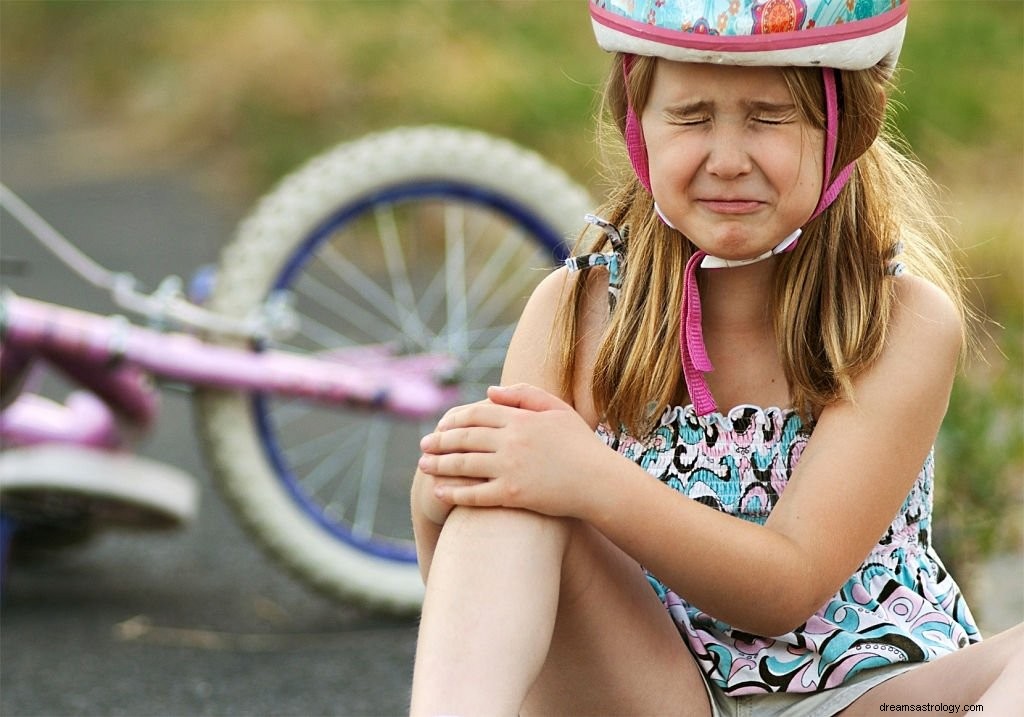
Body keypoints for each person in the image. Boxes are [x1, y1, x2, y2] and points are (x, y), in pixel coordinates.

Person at [409, 1, 1024, 714]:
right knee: (512, 490)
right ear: (637, 124)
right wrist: (450, 489)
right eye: (692, 116)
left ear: (846, 127)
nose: (728, 161)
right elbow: (492, 579)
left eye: (769, 117)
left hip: (868, 695)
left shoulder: (900, 325)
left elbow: (785, 587)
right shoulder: (573, 313)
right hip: (649, 690)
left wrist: (586, 475)